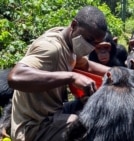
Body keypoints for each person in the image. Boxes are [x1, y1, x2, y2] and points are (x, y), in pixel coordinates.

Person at [7, 5, 110, 141]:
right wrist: (71, 77)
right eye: (89, 40)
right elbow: (15, 77)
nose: (91, 46)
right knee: (83, 127)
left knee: (92, 106)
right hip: (34, 126)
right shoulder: (51, 48)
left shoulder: (70, 41)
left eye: (96, 43)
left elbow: (86, 65)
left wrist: (114, 72)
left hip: (53, 112)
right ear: (74, 25)